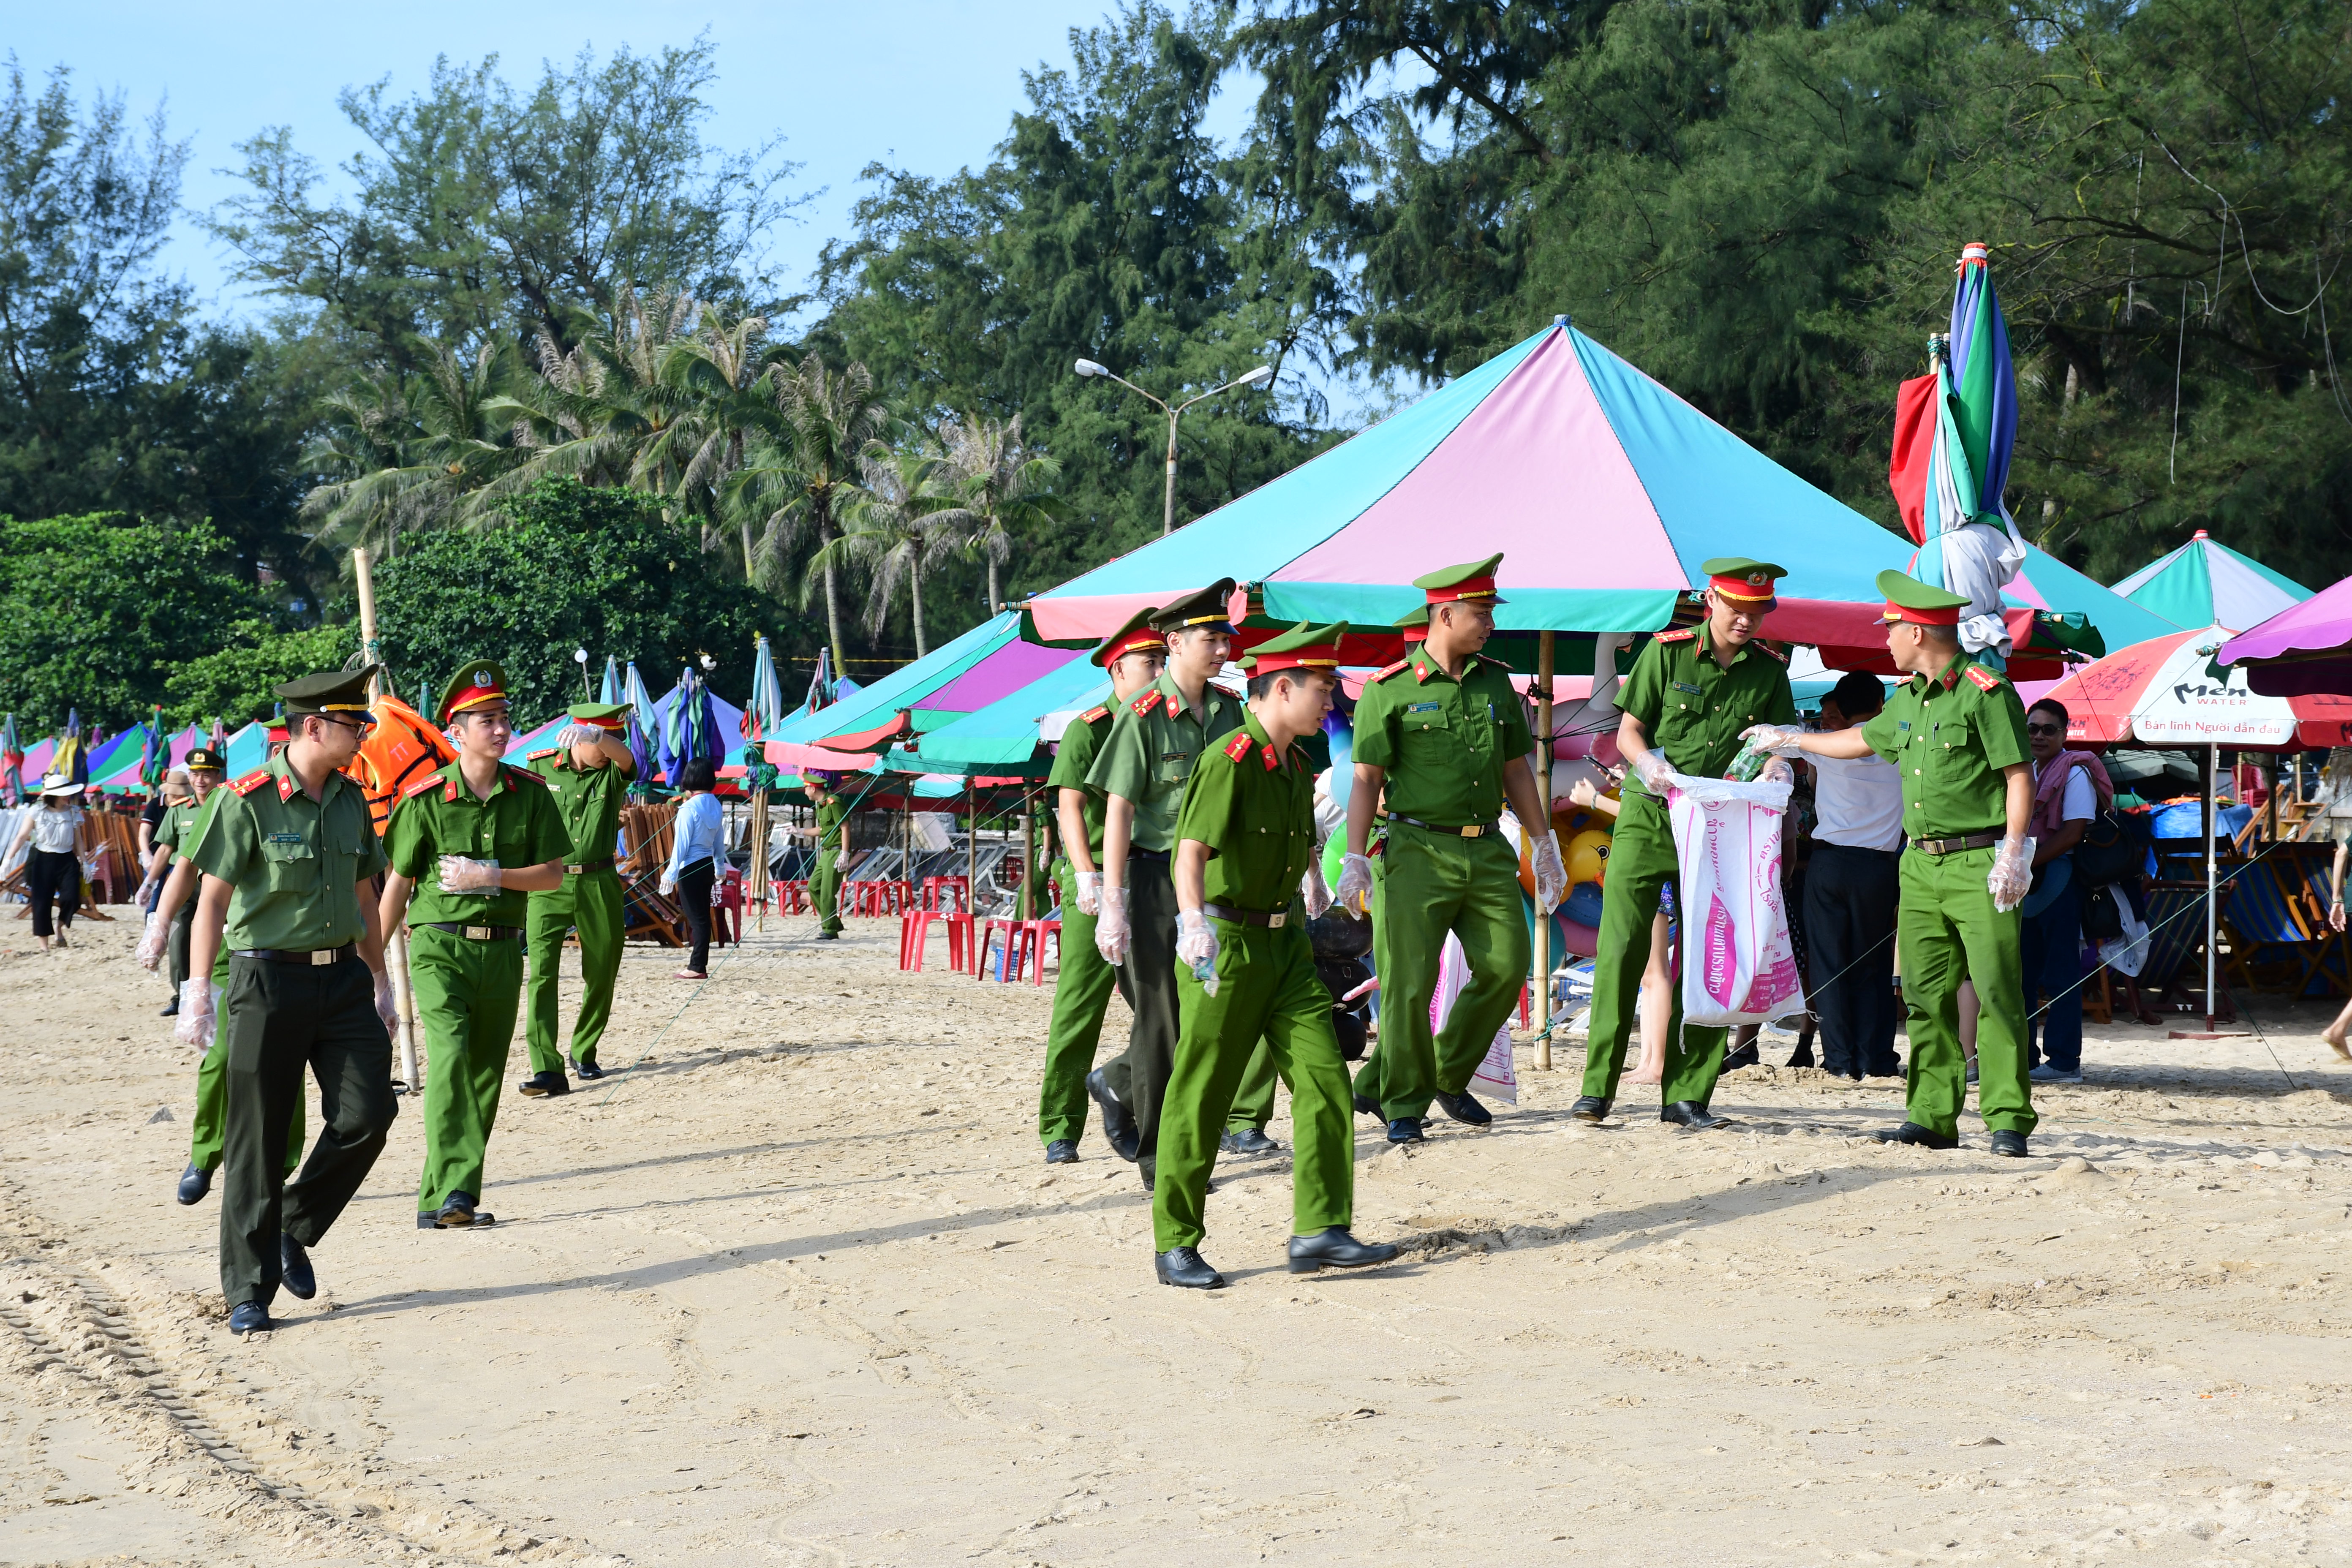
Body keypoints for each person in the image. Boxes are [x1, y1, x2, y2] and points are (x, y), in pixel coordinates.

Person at [1746, 569, 2037, 1156]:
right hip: (1918, 865)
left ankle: (2007, 1117)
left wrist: (2013, 851)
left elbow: (2018, 775)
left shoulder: (1986, 691)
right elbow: (1857, 742)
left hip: (1977, 861)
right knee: (1925, 996)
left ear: (1920, 632)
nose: (1886, 640)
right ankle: (1932, 1115)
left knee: (1997, 990)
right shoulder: (1905, 699)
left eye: (1892, 630)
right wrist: (1789, 740)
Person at [1154, 622, 1398, 1289]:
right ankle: (1176, 1241)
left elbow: (1297, 844)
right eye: (1324, 690)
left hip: (1286, 945)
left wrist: (1320, 873)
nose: (1332, 703)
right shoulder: (1229, 758)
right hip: (1224, 946)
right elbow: (1191, 852)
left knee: (1324, 1079)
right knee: (1202, 1092)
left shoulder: (1296, 766)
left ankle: (1321, 1226)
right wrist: (1192, 923)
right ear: (1283, 687)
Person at [177, 669, 403, 1335]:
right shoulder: (246, 800)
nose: (363, 733)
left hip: (341, 984)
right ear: (314, 727)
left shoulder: (351, 800)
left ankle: (294, 1227)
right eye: (352, 724)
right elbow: (210, 901)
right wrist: (197, 992)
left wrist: (382, 981)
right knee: (258, 1140)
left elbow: (366, 897)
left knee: (370, 1113)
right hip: (266, 984)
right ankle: (248, 1290)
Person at [1340, 556, 1561, 1143]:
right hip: (1415, 850)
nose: (1490, 623)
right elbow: (1365, 779)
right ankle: (1404, 1104)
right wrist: (1355, 857)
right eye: (1481, 613)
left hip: (1486, 849)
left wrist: (1545, 842)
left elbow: (1515, 768)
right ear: (1445, 614)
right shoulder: (1388, 692)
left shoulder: (1493, 682)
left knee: (1507, 966)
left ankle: (1446, 1073)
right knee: (1410, 983)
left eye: (1491, 613)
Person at [1572, 558, 1796, 1131]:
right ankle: (1598, 1087)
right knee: (1620, 948)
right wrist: (1644, 763)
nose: (1747, 622)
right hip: (1650, 817)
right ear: (1712, 601)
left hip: (1721, 828)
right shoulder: (1666, 652)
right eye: (1738, 610)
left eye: (1757, 613)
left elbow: (1775, 742)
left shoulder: (1769, 671)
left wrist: (1777, 766)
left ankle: (1687, 1096)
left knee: (1713, 954)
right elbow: (1628, 729)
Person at [379, 662, 569, 1230]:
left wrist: (493, 875)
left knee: (485, 1074)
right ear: (456, 731)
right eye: (486, 720)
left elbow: (554, 874)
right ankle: (457, 1192)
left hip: (504, 950)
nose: (501, 729)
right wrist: (373, 970)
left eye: (504, 718)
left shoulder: (530, 795)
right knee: (452, 1060)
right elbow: (397, 885)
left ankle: (443, 1197)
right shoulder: (424, 799)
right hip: (439, 947)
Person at [1089, 581, 1249, 1192]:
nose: (1223, 650)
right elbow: (1120, 809)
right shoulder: (1143, 716)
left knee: (1210, 1014)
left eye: (1226, 639)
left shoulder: (1232, 710)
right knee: (1162, 1019)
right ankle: (1160, 1153)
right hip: (1154, 877)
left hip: (1217, 879)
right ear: (1175, 643)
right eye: (1211, 639)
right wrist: (1112, 900)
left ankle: (1119, 1085)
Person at [1038, 607, 1165, 1163]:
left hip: (1153, 882)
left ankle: (1131, 1099)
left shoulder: (1167, 724)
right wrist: (1086, 874)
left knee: (1163, 1013)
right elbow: (1070, 804)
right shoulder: (1091, 728)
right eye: (1149, 661)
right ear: (1117, 671)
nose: (1160, 670)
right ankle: (1061, 1127)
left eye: (1164, 658)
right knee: (1080, 1009)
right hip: (1094, 888)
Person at [520, 703, 638, 1094]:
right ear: (574, 737)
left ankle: (584, 1050)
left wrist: (600, 737)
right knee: (541, 975)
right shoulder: (539, 767)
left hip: (599, 880)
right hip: (548, 882)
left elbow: (629, 758)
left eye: (608, 741)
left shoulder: (611, 773)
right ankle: (546, 1066)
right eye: (595, 741)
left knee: (602, 969)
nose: (604, 751)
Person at [1800, 672, 1906, 1081]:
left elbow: (1795, 752)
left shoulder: (1826, 748)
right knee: (1874, 964)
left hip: (1829, 864)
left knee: (1829, 965)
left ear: (1840, 711)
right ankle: (1876, 1057)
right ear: (1882, 704)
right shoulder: (1900, 746)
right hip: (1879, 867)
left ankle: (1840, 1061)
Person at [1567, 774, 1675, 1087]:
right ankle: (1649, 1061)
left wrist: (1594, 800)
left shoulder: (1660, 765)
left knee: (1656, 971)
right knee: (1650, 973)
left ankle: (1657, 1064)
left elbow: (1645, 811)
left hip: (1653, 866)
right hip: (1650, 865)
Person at [2022, 696, 2109, 1085]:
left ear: (2064, 733)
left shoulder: (2074, 772)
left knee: (2061, 975)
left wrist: (2026, 864)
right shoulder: (2026, 771)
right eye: (2033, 728)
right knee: (2019, 975)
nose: (2039, 736)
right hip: (2024, 881)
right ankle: (2023, 1056)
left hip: (2057, 879)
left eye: (2048, 729)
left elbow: (2074, 833)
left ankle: (2063, 1061)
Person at [143, 751, 226, 1016]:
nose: (200, 780)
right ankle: (181, 997)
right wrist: (149, 882)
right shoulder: (179, 810)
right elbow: (166, 850)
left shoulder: (229, 805)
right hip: (184, 885)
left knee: (219, 940)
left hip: (219, 885)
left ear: (217, 776)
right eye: (195, 774)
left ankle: (213, 993)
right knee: (179, 942)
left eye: (206, 774)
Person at [9, 773, 92, 950]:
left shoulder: (73, 812)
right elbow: (22, 836)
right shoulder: (37, 811)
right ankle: (44, 945)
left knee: (72, 898)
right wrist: (7, 860)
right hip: (43, 859)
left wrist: (85, 863)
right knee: (41, 902)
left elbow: (78, 840)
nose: (68, 796)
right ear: (54, 795)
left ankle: (60, 927)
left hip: (67, 859)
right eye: (64, 793)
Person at [661, 759, 725, 979]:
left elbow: (681, 845)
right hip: (707, 865)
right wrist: (720, 867)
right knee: (702, 918)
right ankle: (699, 965)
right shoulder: (716, 805)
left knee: (697, 919)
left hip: (689, 867)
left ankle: (697, 967)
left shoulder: (688, 808)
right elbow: (719, 840)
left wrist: (670, 873)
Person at [803, 770, 849, 940]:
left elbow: (845, 827)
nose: (805, 791)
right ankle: (833, 922)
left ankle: (830, 930)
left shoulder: (834, 802)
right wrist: (800, 831)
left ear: (814, 789)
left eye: (806, 788)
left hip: (836, 852)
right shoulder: (821, 805)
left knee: (828, 892)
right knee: (813, 887)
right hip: (826, 852)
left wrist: (844, 853)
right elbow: (822, 830)